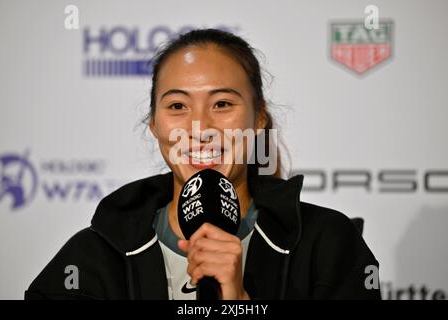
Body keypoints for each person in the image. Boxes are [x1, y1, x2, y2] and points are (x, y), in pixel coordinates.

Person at [25, 29, 381, 300]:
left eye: (222, 104)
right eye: (178, 106)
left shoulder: (328, 245)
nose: (201, 129)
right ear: (154, 124)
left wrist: (241, 303)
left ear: (258, 119)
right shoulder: (92, 255)